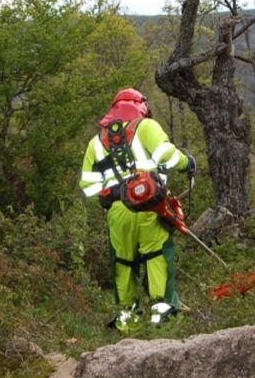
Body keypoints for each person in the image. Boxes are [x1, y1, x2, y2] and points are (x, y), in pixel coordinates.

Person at [79, 88, 195, 331]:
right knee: (156, 255)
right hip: (151, 207)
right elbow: (168, 157)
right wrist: (188, 162)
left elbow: (88, 187)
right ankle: (161, 316)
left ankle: (126, 321)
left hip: (117, 213)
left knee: (123, 262)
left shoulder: (96, 142)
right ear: (141, 106)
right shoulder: (147, 127)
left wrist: (112, 199)